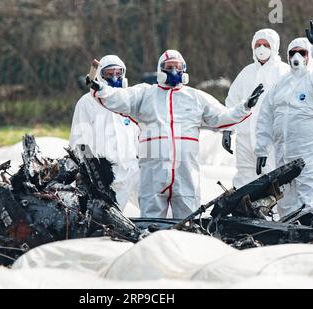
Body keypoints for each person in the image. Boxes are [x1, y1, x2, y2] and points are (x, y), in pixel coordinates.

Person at [88, 50, 264, 219]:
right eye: (169, 66)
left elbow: (222, 117)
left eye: (178, 67)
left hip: (185, 173)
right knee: (151, 223)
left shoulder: (196, 97)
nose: (174, 71)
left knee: (187, 223)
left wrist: (245, 106)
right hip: (153, 171)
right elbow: (120, 98)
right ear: (160, 70)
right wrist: (100, 88)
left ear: (184, 70)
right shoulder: (145, 94)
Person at [254, 19, 313, 227]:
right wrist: (261, 149)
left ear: (308, 56)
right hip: (284, 148)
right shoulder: (280, 85)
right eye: (292, 52)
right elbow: (266, 116)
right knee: (286, 189)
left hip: (311, 146)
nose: (296, 57)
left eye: (301, 52)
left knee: (312, 179)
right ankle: (290, 223)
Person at [70, 55, 140, 211]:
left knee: (154, 209)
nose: (115, 77)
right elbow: (78, 141)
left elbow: (139, 135)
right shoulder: (87, 103)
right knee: (110, 219)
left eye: (118, 73)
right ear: (100, 76)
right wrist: (85, 172)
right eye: (109, 74)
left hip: (133, 170)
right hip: (107, 175)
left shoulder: (129, 100)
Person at [222, 29, 290, 188]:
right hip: (245, 138)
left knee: (272, 178)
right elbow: (232, 102)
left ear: (274, 46)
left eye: (266, 44)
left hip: (273, 140)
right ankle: (243, 211)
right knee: (244, 178)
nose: (261, 48)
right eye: (258, 44)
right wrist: (227, 129)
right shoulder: (246, 72)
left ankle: (272, 213)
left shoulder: (284, 72)